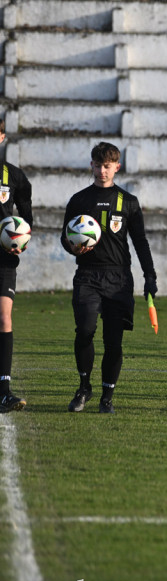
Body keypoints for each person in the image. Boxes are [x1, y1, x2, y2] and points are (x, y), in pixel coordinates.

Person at [62, 142, 157, 414]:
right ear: (91, 165)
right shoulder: (79, 200)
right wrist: (73, 247)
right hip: (88, 276)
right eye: (98, 165)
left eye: (108, 166)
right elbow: (64, 238)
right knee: (85, 330)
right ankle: (83, 388)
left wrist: (149, 276)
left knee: (113, 341)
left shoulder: (128, 202)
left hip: (119, 279)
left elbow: (140, 241)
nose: (103, 171)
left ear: (117, 167)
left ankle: (107, 397)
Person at [0, 119, 33, 412]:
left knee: (4, 317)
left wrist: (21, 238)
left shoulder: (14, 176)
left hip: (3, 259)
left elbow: (26, 219)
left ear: (1, 137)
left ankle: (4, 390)